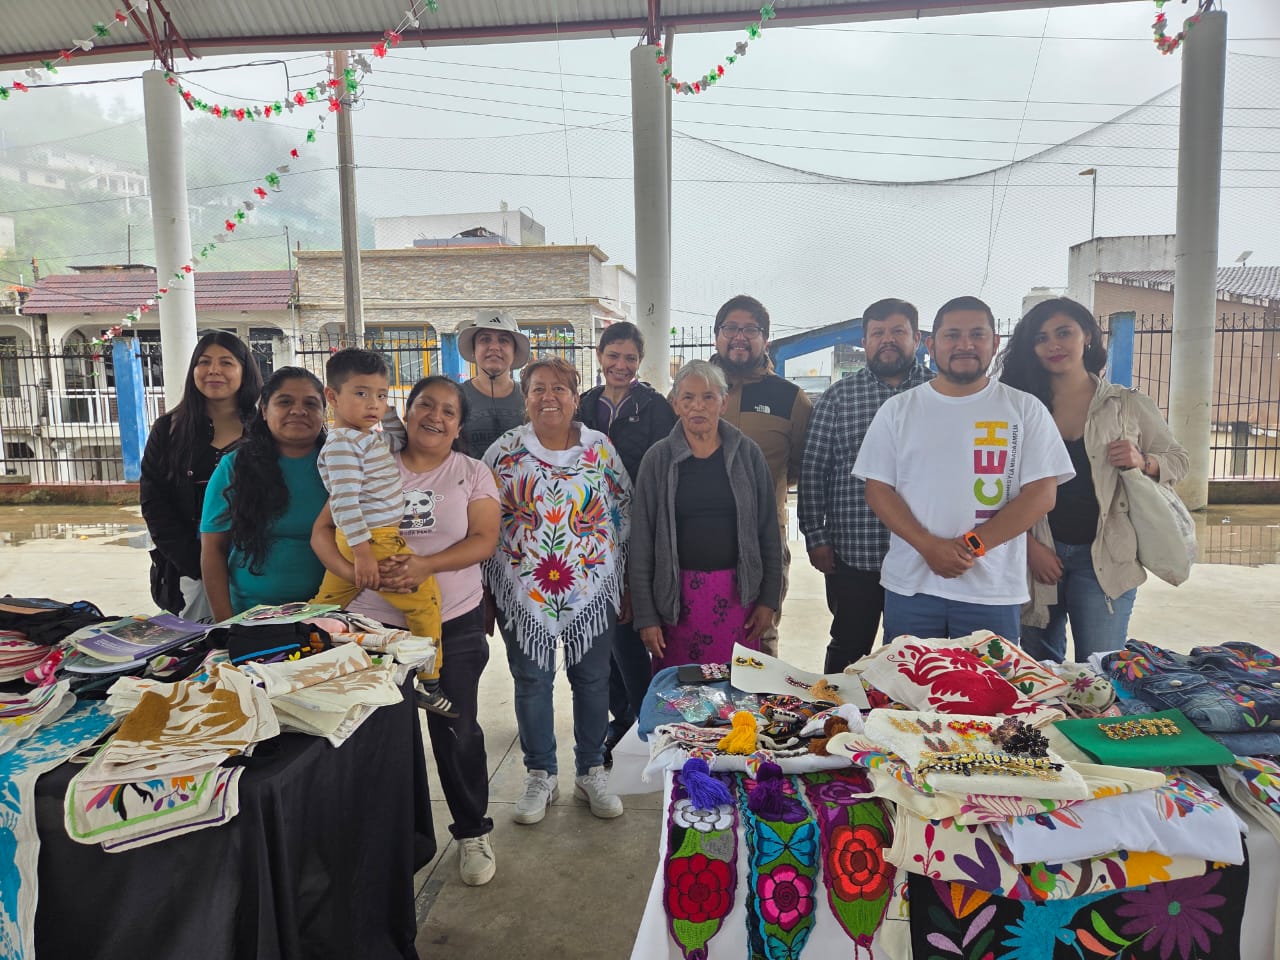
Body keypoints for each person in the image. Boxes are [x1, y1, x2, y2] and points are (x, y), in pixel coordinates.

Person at [312, 375, 502, 886]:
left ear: (458, 426)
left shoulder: (472, 473)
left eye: (447, 411)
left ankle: (472, 831)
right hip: (372, 627)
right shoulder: (376, 461)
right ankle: (383, 840)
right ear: (408, 411)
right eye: (425, 405)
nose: (434, 417)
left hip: (453, 622)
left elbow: (485, 539)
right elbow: (324, 530)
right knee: (374, 735)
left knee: (457, 730)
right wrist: (355, 573)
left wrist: (426, 565)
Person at [853, 296, 1074, 642]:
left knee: (988, 678)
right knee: (909, 677)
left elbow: (1042, 495)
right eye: (952, 335)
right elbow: (878, 490)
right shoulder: (898, 410)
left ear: (995, 343)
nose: (965, 345)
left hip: (991, 592)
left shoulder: (1024, 409)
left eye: (977, 335)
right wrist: (928, 546)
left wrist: (973, 545)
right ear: (931, 345)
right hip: (912, 586)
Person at [995, 297, 1189, 662]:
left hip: (1106, 558)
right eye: (1041, 338)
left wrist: (1143, 460)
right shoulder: (1018, 407)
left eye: (1063, 332)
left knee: (1099, 669)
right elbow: (996, 486)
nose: (1053, 345)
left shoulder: (1126, 404)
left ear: (1086, 335)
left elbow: (1178, 460)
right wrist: (1027, 546)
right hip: (1036, 554)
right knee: (1041, 670)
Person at [483, 356, 631, 825]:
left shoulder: (599, 448)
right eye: (538, 389)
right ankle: (540, 774)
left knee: (592, 680)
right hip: (524, 590)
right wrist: (489, 588)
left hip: (592, 586)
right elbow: (482, 517)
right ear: (525, 398)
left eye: (559, 388)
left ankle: (590, 770)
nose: (549, 397)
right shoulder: (504, 452)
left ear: (575, 397)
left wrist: (620, 578)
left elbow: (623, 509)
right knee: (532, 681)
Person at [307, 348, 450, 717]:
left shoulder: (365, 438)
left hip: (367, 537)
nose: (373, 403)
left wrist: (386, 413)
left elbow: (398, 441)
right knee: (425, 601)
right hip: (373, 538)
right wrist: (364, 553)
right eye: (361, 393)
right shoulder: (343, 445)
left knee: (327, 605)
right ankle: (430, 681)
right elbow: (344, 503)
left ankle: (305, 650)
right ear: (332, 396)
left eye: (381, 394)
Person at [799, 298, 934, 671]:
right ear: (865, 342)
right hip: (855, 553)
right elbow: (814, 469)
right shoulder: (838, 397)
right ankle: (834, 707)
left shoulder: (938, 392)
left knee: (916, 655)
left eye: (897, 331)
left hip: (924, 555)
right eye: (878, 333)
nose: (887, 340)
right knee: (848, 645)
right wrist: (816, 537)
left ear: (917, 338)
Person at [631, 360, 782, 671]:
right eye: (688, 397)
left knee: (736, 688)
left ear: (723, 403)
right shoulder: (657, 460)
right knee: (680, 691)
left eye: (708, 397)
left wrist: (768, 600)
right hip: (676, 603)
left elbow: (768, 532)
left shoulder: (748, 455)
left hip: (738, 600)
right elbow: (642, 542)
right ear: (675, 404)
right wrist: (646, 616)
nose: (698, 406)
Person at [577, 321, 677, 763]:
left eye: (630, 358)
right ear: (600, 356)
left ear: (640, 362)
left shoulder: (655, 408)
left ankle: (644, 724)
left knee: (629, 631)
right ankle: (619, 720)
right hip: (585, 536)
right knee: (599, 636)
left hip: (637, 533)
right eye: (613, 356)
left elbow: (665, 471)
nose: (621, 365)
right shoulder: (582, 406)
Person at [710, 294, 811, 658]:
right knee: (701, 631)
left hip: (763, 536)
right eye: (731, 328)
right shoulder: (693, 390)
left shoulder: (790, 398)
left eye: (751, 329)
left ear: (765, 339)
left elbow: (798, 465)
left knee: (759, 637)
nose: (740, 336)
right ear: (716, 336)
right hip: (699, 536)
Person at [141, 331, 262, 620]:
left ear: (245, 371)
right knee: (200, 642)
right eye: (204, 361)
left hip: (257, 568)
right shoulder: (168, 429)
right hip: (188, 572)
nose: (213, 370)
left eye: (226, 362)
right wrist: (197, 566)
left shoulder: (265, 429)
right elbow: (154, 504)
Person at [200, 367, 329, 621]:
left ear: (324, 413)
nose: (299, 411)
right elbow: (213, 548)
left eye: (311, 404)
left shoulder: (343, 466)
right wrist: (226, 625)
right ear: (264, 411)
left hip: (331, 613)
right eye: (285, 402)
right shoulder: (235, 466)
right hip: (250, 615)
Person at [458, 309, 531, 456]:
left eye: (503, 340)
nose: (494, 347)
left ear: (514, 351)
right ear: (474, 349)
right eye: (485, 339)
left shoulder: (530, 397)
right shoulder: (455, 397)